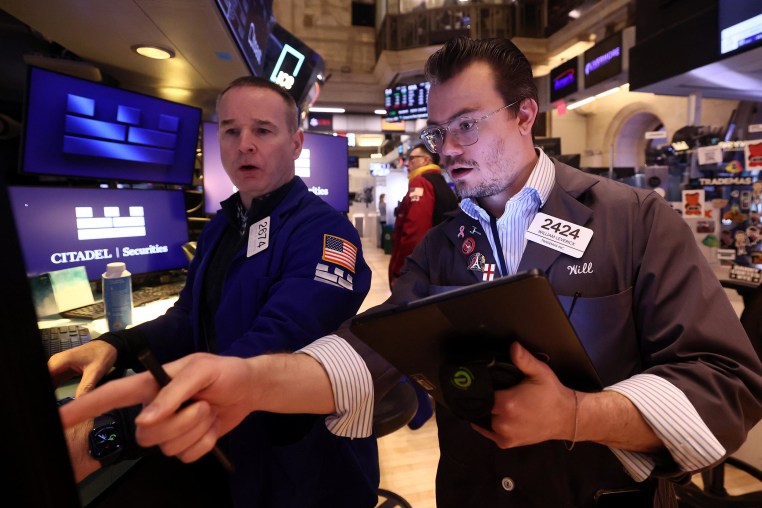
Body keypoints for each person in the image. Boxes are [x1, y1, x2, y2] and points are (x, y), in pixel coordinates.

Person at [61, 37, 762, 507]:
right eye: (437, 130)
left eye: (466, 125)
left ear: (527, 115)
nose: (445, 148)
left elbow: (726, 384)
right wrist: (252, 379)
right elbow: (370, 355)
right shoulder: (441, 251)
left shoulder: (635, 220)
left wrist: (579, 414)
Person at [49, 76, 379, 508]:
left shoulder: (326, 233)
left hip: (299, 466)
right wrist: (117, 345)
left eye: (262, 130)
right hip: (228, 452)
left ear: (297, 143)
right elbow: (188, 320)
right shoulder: (224, 227)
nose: (244, 144)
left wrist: (115, 431)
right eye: (230, 130)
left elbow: (278, 341)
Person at [388, 143, 458, 288]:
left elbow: (414, 232)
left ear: (426, 160)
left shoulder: (421, 183)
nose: (407, 163)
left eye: (413, 158)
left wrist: (402, 270)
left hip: (419, 272)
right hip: (440, 268)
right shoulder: (442, 184)